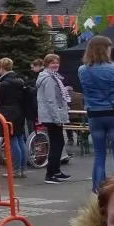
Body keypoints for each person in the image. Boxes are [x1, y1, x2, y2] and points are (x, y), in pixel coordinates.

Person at [77, 36, 114, 192]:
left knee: (99, 155)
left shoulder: (82, 70)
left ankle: (97, 190)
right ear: (105, 49)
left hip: (94, 114)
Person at [0, 58, 31, 177]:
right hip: (19, 112)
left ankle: (16, 169)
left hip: (8, 113)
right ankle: (22, 168)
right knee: (20, 139)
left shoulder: (4, 83)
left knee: (12, 140)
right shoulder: (20, 81)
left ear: (1, 68)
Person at [37, 53, 71, 184]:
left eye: (57, 62)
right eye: (52, 63)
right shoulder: (49, 79)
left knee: (59, 143)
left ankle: (56, 170)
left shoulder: (53, 77)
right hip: (52, 116)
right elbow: (50, 100)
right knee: (57, 144)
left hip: (52, 115)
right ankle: (50, 173)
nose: (55, 64)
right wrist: (57, 117)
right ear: (47, 64)